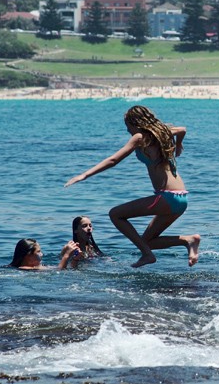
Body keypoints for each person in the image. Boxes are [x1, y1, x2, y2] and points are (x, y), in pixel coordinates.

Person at [65, 105, 200, 268]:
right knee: (147, 241)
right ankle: (188, 240)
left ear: (135, 122)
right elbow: (182, 130)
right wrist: (178, 145)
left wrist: (84, 175)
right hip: (181, 198)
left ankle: (147, 255)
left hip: (167, 197)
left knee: (115, 214)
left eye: (127, 126)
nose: (128, 130)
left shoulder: (140, 137)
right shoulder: (162, 132)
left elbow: (113, 160)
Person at [9, 238, 81, 270]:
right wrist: (67, 255)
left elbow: (65, 269)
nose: (42, 254)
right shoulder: (24, 268)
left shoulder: (37, 267)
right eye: (38, 251)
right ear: (28, 256)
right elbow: (60, 270)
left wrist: (75, 258)